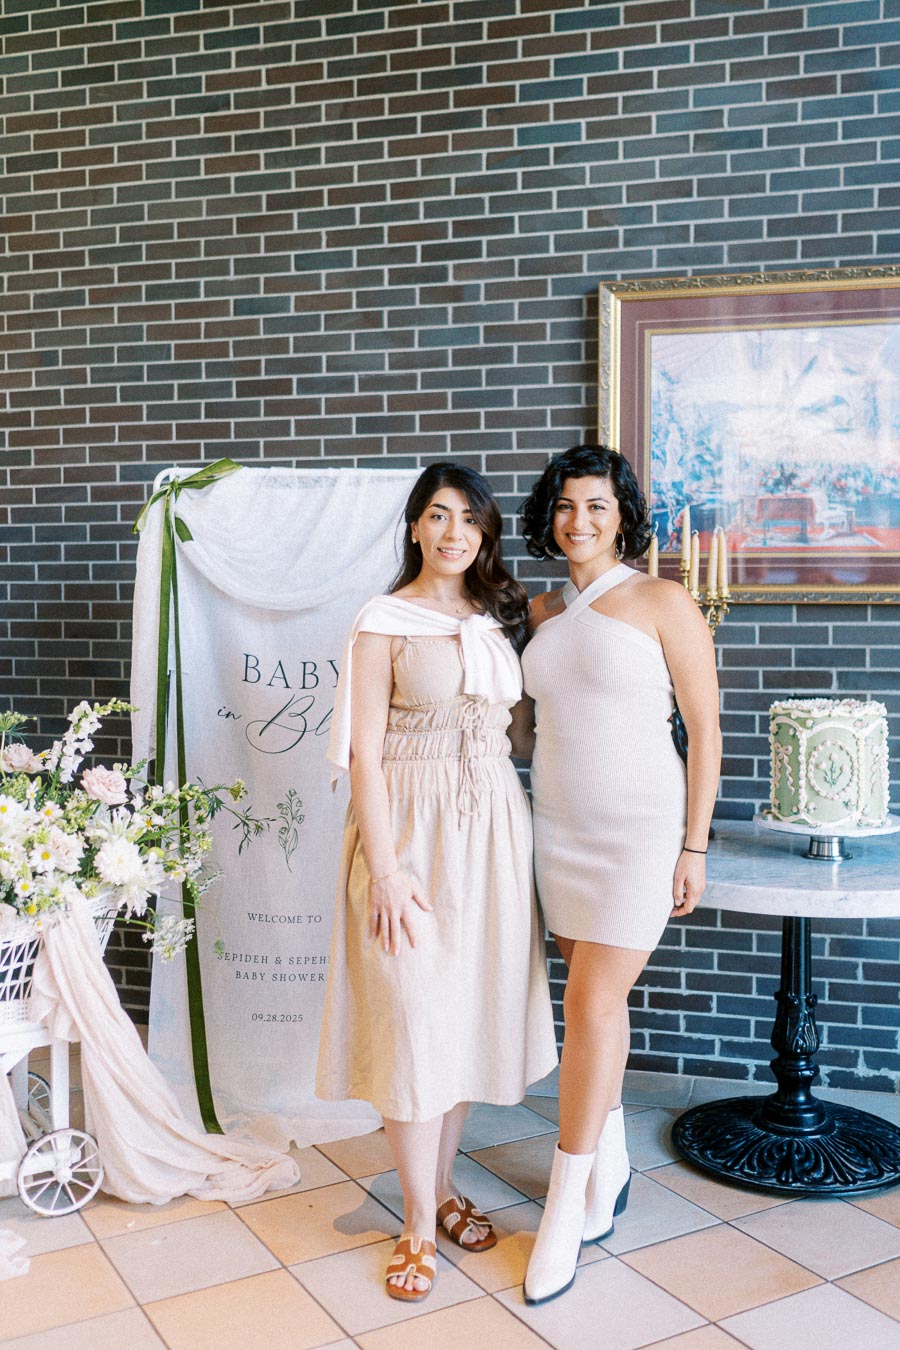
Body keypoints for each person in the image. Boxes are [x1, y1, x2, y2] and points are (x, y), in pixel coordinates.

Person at [317, 462, 558, 1303]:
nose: (455, 533)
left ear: (486, 533)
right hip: (410, 834)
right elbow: (364, 759)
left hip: (492, 831)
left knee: (460, 1019)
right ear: (415, 527)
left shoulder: (499, 620)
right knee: (415, 1015)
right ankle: (417, 1224)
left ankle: (442, 1190)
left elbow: (519, 735)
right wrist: (385, 870)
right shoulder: (382, 620)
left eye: (470, 520)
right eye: (438, 516)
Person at [518, 445, 721, 1305]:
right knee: (600, 1005)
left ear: (624, 515)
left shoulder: (664, 600)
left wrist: (694, 846)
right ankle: (612, 1167)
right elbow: (530, 734)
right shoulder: (536, 611)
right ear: (549, 516)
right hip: (556, 832)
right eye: (566, 507)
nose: (580, 522)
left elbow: (707, 733)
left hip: (640, 835)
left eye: (597, 507)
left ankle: (565, 1209)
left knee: (590, 1004)